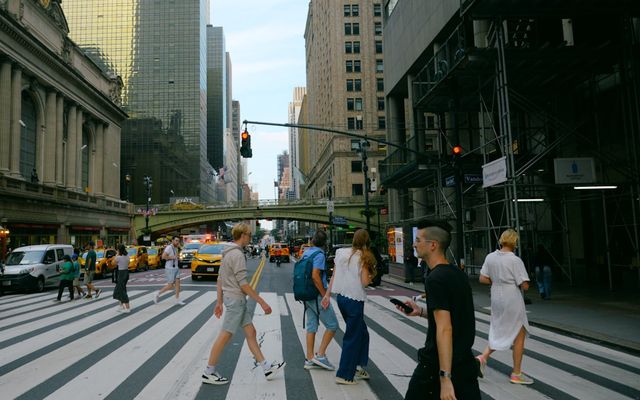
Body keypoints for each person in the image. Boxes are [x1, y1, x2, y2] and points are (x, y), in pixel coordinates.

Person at [396, 220, 480, 400]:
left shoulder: (435, 279)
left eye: (418, 240)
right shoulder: (457, 274)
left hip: (436, 367)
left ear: (433, 245)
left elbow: (445, 328)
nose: (414, 244)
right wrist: (421, 311)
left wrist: (445, 378)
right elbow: (455, 316)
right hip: (464, 362)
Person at [202, 223, 285, 385]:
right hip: (235, 301)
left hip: (232, 299)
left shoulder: (227, 252)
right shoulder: (237, 255)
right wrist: (262, 302)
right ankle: (208, 372)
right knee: (225, 335)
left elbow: (220, 278)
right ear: (243, 235)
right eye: (248, 234)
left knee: (251, 332)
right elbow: (243, 284)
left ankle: (266, 367)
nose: (250, 238)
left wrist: (219, 302)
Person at [477, 229, 533, 385]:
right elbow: (524, 285)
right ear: (514, 242)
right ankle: (516, 373)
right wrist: (522, 282)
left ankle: (482, 357)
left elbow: (482, 278)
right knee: (519, 334)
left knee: (500, 329)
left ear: (501, 240)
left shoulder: (490, 257)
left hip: (496, 296)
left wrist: (496, 281)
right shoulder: (514, 260)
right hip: (511, 297)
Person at [322, 229, 375, 385]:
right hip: (354, 300)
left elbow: (334, 276)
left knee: (362, 333)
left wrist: (327, 294)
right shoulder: (363, 257)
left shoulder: (341, 253)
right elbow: (365, 282)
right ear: (366, 241)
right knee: (353, 337)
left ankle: (357, 366)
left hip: (342, 298)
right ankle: (345, 374)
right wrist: (371, 276)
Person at [300, 230, 339, 370]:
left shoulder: (306, 252)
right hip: (316, 295)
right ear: (325, 243)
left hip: (306, 295)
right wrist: (324, 295)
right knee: (333, 325)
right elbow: (315, 276)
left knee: (311, 326)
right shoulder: (319, 255)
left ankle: (309, 358)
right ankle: (321, 355)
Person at [155, 236, 185, 305]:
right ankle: (157, 294)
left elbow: (176, 256)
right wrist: (173, 257)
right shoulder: (169, 247)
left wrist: (178, 258)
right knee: (170, 285)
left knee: (178, 284)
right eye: (176, 240)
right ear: (172, 241)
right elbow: (163, 257)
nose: (177, 242)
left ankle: (177, 299)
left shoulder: (176, 248)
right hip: (170, 268)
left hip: (176, 268)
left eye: (178, 241)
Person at [112, 244, 131, 313]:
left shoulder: (118, 257)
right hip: (126, 272)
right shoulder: (127, 256)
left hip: (121, 274)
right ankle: (121, 306)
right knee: (121, 289)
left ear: (119, 250)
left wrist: (116, 255)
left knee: (121, 290)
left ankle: (127, 307)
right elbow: (128, 263)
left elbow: (112, 263)